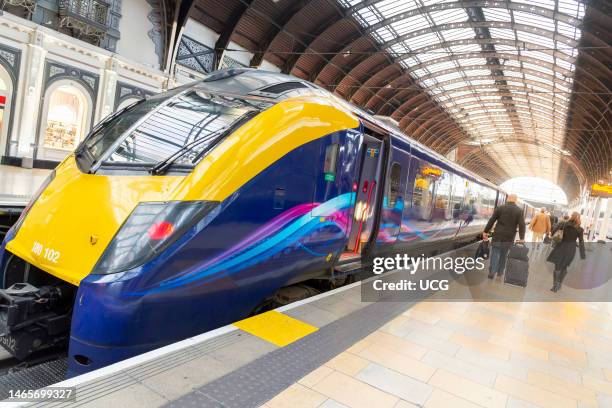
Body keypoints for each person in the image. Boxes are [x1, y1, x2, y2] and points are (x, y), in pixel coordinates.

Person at [483, 194, 526, 279]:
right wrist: (521, 238)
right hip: (509, 237)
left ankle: (492, 271)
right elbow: (522, 225)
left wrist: (485, 231)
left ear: (507, 199)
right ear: (515, 200)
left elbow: (492, 220)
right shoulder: (519, 211)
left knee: (495, 253)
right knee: (504, 254)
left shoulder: (500, 208)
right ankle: (500, 272)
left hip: (498, 235)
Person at [547, 212, 586, 292]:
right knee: (564, 266)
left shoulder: (563, 224)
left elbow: (553, 232)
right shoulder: (580, 229)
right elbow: (581, 242)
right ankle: (559, 283)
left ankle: (555, 285)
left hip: (561, 246)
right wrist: (582, 254)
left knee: (557, 266)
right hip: (571, 249)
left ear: (571, 217)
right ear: (579, 219)